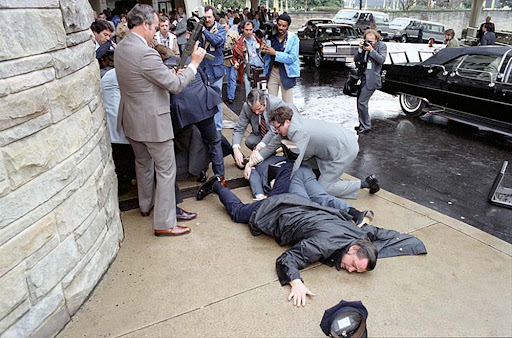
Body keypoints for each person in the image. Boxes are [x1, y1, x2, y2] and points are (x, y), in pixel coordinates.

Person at [195, 166, 426, 307]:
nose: (352, 271)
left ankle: (277, 172)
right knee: (237, 213)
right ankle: (216, 186)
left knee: (277, 189)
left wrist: (410, 244)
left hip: (298, 205)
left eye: (357, 271)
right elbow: (288, 259)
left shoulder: (359, 234)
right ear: (353, 249)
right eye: (355, 265)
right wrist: (295, 282)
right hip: (275, 212)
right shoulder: (323, 245)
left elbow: (378, 233)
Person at [114, 4, 206, 237]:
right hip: (153, 122)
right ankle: (165, 223)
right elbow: (175, 86)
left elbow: (143, 81)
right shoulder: (146, 53)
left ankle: (146, 206)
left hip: (132, 120)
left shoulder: (122, 47)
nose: (156, 31)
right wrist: (194, 64)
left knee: (143, 164)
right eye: (154, 26)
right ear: (144, 25)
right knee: (166, 170)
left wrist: (167, 76)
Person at [248, 106, 380, 199]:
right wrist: (252, 161)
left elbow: (296, 162)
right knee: (308, 167)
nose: (276, 131)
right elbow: (272, 145)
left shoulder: (299, 133)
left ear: (287, 122)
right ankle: (321, 174)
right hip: (333, 143)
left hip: (343, 150)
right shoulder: (290, 125)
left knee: (325, 188)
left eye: (278, 127)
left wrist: (279, 182)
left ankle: (366, 183)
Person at [247, 155, 375, 227]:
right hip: (304, 171)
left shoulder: (257, 166)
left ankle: (332, 224)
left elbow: (253, 175)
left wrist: (259, 195)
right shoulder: (275, 156)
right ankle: (356, 214)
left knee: (305, 204)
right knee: (322, 197)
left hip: (289, 177)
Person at [232, 89, 295, 167]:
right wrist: (236, 149)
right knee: (250, 141)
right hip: (261, 133)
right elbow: (239, 128)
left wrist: (257, 149)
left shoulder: (276, 104)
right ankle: (267, 156)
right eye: (253, 110)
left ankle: (268, 156)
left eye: (258, 109)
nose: (256, 113)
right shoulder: (246, 107)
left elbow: (274, 130)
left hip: (278, 134)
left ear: (264, 102)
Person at [198, 5, 226, 132]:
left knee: (216, 101)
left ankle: (218, 129)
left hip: (216, 71)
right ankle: (208, 128)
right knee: (204, 101)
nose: (207, 19)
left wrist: (203, 30)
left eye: (209, 17)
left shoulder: (220, 29)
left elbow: (216, 41)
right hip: (203, 70)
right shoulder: (200, 29)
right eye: (205, 17)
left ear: (214, 17)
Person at [261, 13, 299, 104]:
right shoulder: (271, 36)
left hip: (286, 73)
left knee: (288, 103)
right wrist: (263, 51)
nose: (281, 28)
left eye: (284, 26)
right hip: (273, 71)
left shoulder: (293, 38)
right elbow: (266, 57)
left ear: (288, 27)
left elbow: (292, 58)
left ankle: (288, 119)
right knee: (271, 101)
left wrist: (275, 53)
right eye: (279, 25)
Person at [354, 29, 387, 134]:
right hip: (362, 77)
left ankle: (366, 126)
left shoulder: (381, 46)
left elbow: (381, 60)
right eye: (367, 40)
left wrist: (371, 50)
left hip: (371, 79)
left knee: (362, 102)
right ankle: (362, 124)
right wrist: (360, 49)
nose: (369, 42)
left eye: (371, 41)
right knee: (359, 102)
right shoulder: (364, 46)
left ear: (376, 39)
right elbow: (356, 59)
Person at [233, 20, 265, 97]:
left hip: (260, 71)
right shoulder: (239, 43)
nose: (249, 32)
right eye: (246, 30)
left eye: (250, 29)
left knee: (263, 94)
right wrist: (236, 63)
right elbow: (234, 57)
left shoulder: (258, 39)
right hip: (248, 71)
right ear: (242, 29)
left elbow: (265, 52)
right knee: (250, 95)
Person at [220, 18, 239, 105]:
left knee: (232, 77)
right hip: (226, 59)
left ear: (228, 25)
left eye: (225, 26)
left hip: (234, 58)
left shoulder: (233, 34)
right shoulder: (220, 35)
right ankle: (228, 95)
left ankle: (231, 96)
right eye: (222, 27)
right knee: (228, 78)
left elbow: (239, 45)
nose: (224, 28)